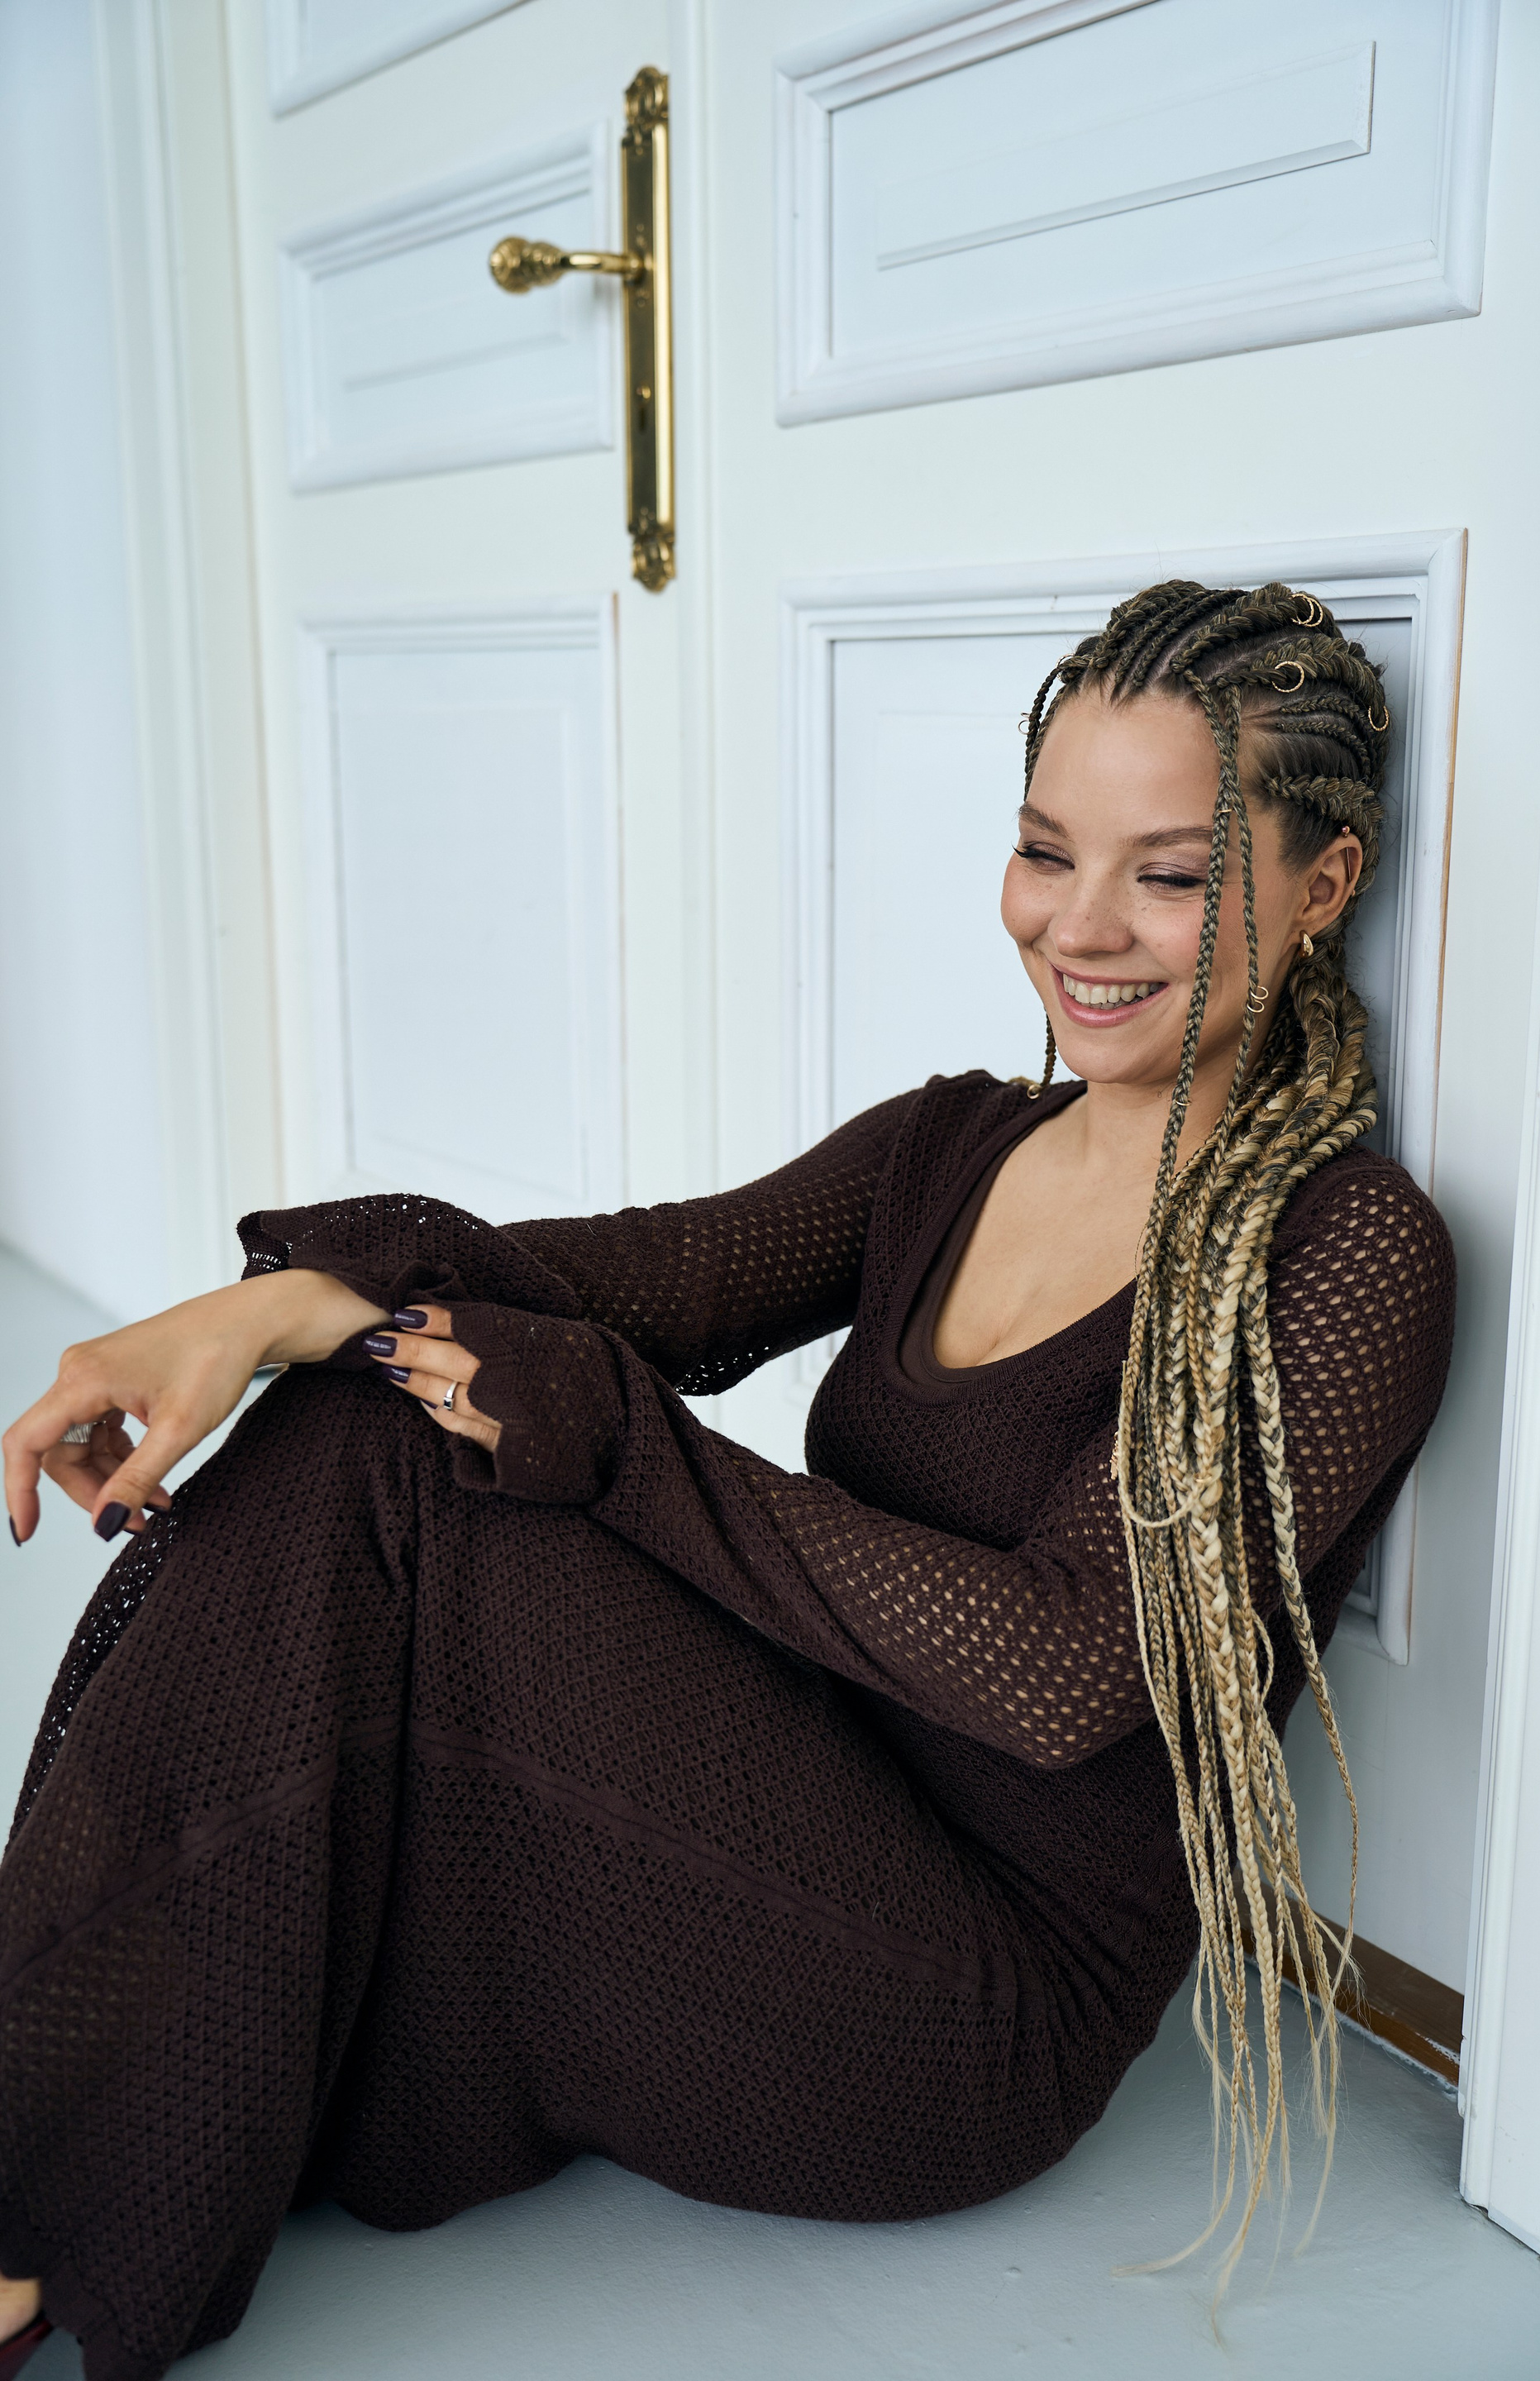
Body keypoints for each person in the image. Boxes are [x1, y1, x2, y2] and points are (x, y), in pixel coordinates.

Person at [0, 582, 1456, 2381]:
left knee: (433, 1437)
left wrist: (616, 1439)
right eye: (1041, 851)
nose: (1080, 926)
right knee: (371, 1411)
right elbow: (651, 1276)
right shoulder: (952, 1144)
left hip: (964, 1999)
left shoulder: (1343, 1251)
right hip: (797, 1792)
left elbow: (1070, 1667)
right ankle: (51, 2124)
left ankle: (37, 2180)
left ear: (1324, 883)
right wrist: (276, 1310)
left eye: (1167, 874)